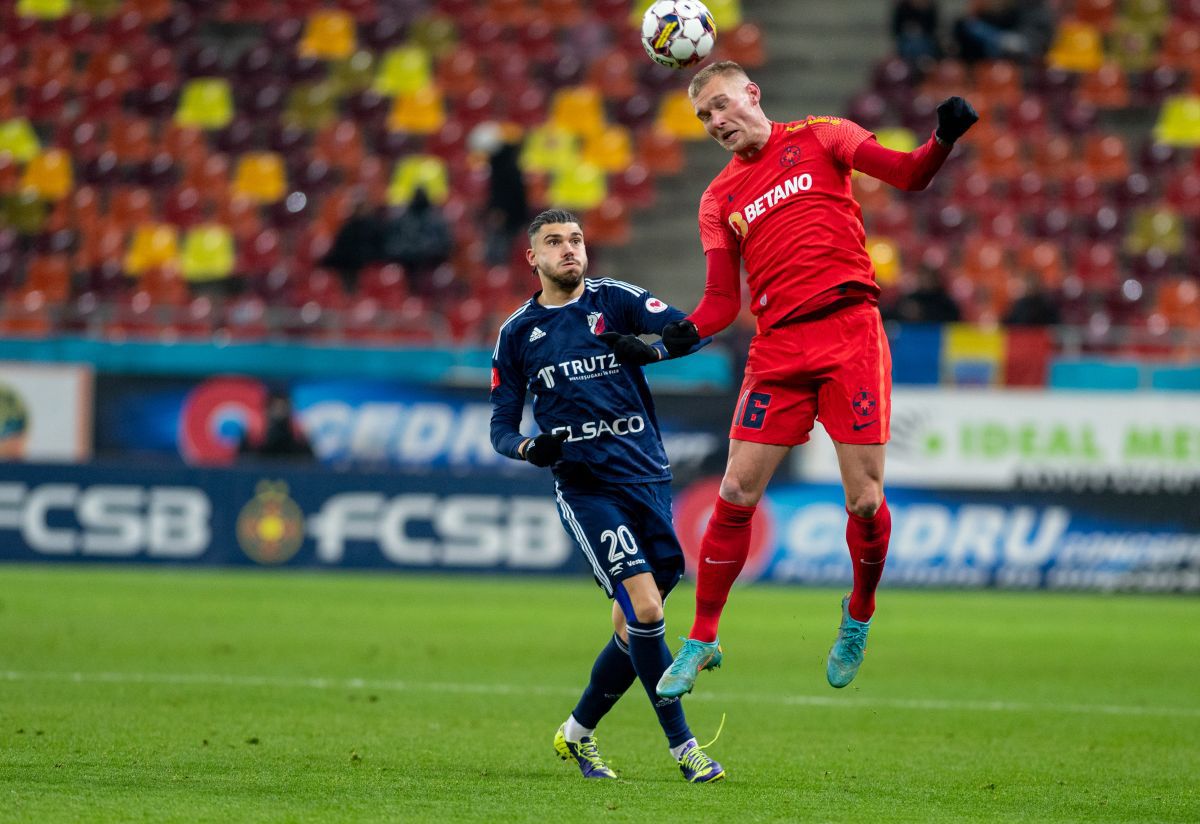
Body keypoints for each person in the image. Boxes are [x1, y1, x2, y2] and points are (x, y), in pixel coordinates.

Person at [653, 61, 977, 698]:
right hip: (776, 347)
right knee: (736, 489)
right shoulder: (717, 199)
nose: (715, 122)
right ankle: (702, 638)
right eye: (703, 117)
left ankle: (858, 615)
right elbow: (721, 301)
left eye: (721, 105)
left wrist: (942, 139)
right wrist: (668, 338)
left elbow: (909, 174)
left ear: (753, 92)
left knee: (863, 500)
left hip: (849, 333)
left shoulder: (824, 135)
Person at [489, 208, 724, 784]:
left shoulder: (615, 300)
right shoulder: (518, 334)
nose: (569, 249)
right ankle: (685, 750)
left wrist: (655, 351)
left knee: (634, 626)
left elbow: (694, 331)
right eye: (554, 242)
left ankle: (576, 733)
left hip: (648, 475)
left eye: (575, 239)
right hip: (587, 486)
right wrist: (527, 449)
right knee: (646, 610)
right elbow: (500, 427)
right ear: (533, 258)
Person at [239, 391, 313, 461]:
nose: (280, 413)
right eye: (276, 408)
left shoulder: (301, 448)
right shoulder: (251, 446)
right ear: (266, 411)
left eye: (283, 408)